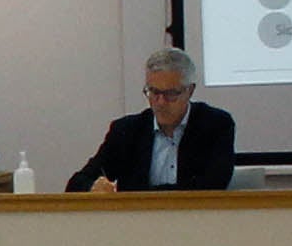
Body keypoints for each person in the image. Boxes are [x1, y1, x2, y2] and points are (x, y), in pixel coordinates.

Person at [69, 47, 235, 193]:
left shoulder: (216, 125)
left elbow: (212, 186)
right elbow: (77, 182)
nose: (160, 102)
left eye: (170, 94)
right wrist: (93, 187)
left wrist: (131, 193)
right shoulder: (126, 131)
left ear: (190, 91)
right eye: (154, 92)